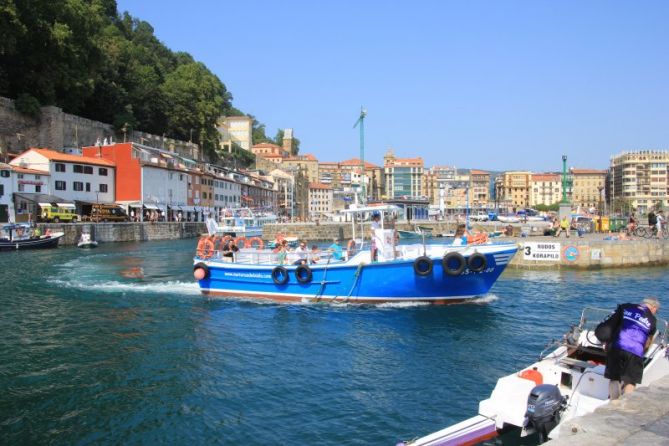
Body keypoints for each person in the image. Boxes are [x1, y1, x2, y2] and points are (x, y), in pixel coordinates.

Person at [605, 297, 659, 399]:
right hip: (635, 350)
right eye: (657, 311)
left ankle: (614, 402)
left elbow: (612, 326)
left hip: (617, 346)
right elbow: (648, 341)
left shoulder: (626, 307)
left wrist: (608, 344)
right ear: (653, 307)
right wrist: (642, 352)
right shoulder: (652, 319)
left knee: (614, 378)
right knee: (631, 380)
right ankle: (624, 405)